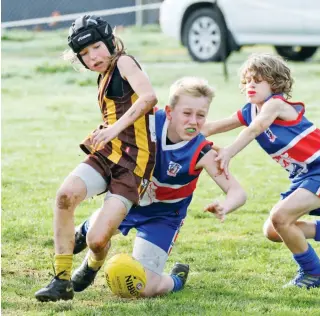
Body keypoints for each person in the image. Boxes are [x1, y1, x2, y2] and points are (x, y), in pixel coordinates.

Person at [71, 77, 247, 297]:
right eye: (187, 113)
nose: (194, 121)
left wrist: (226, 205)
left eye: (201, 115)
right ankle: (89, 240)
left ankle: (176, 279)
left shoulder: (202, 152)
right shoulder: (147, 122)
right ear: (169, 111)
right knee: (96, 238)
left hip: (162, 217)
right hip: (128, 202)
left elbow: (237, 192)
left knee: (144, 289)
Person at [202, 53, 320, 289]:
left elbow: (257, 128)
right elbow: (211, 127)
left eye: (258, 80)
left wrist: (230, 151)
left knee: (280, 218)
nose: (250, 85)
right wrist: (179, 131)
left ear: (274, 83)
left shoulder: (276, 104)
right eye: (247, 80)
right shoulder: (250, 110)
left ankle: (314, 273)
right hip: (305, 175)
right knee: (274, 231)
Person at [35, 15, 158, 302]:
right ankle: (60, 280)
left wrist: (115, 128)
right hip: (107, 153)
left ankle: (92, 263)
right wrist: (108, 132)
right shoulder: (103, 76)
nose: (92, 57)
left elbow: (149, 97)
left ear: (111, 41)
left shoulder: (125, 62)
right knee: (65, 196)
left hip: (134, 162)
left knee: (97, 240)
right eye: (84, 54)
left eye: (96, 48)